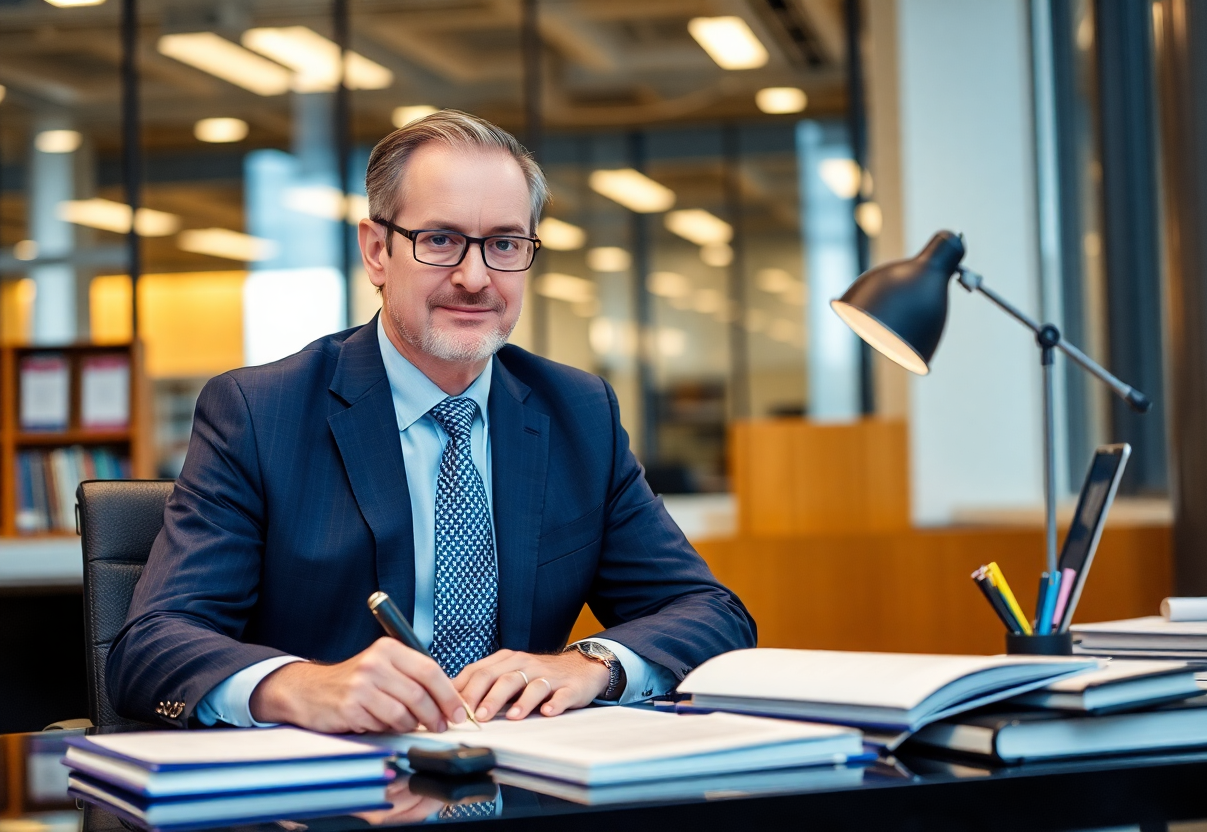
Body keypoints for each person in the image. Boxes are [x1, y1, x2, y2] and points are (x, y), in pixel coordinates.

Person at [107, 110, 756, 733]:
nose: (475, 277)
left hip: (520, 784)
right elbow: (151, 647)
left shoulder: (578, 413)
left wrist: (592, 666)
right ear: (377, 251)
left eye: (504, 244)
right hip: (326, 800)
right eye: (440, 240)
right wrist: (303, 687)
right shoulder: (260, 413)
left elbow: (714, 615)